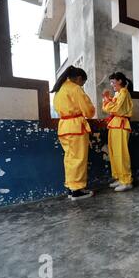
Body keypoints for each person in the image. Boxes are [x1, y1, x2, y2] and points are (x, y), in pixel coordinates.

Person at [52, 66, 96, 201]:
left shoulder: (60, 89)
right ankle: (77, 191)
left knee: (70, 159)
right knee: (79, 158)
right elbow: (88, 110)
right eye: (83, 82)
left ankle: (72, 188)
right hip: (76, 127)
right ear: (78, 78)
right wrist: (89, 112)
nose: (82, 85)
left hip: (64, 127)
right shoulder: (75, 88)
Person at [102, 72, 134, 192]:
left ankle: (126, 181)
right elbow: (107, 109)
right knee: (114, 153)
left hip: (120, 124)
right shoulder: (118, 94)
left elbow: (115, 109)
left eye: (113, 82)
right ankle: (120, 178)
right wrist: (107, 100)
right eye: (111, 82)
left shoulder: (124, 92)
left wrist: (106, 100)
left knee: (121, 153)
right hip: (115, 124)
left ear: (120, 81)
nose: (111, 85)